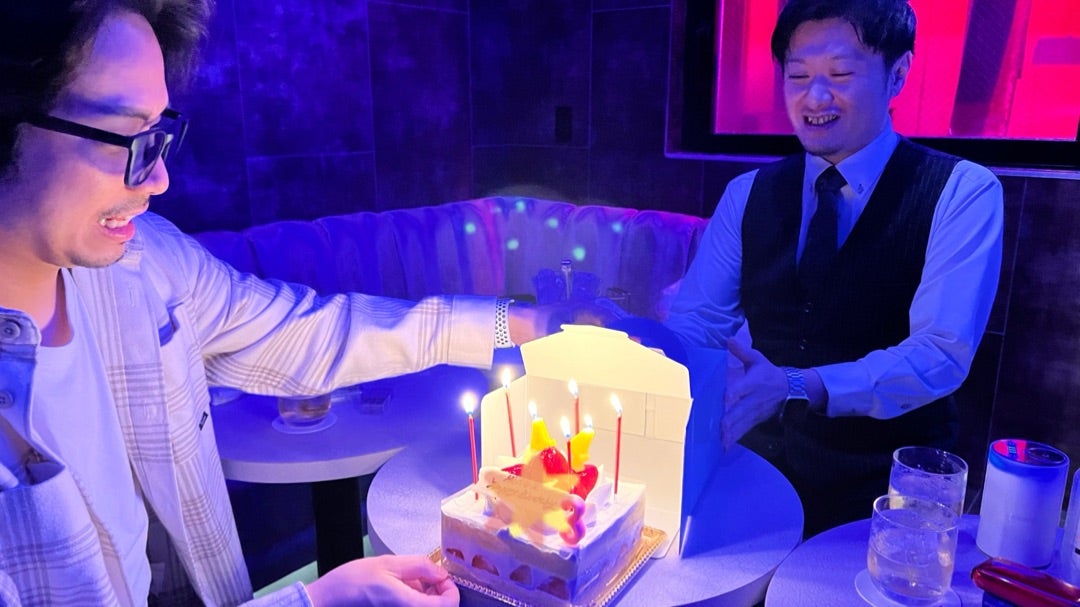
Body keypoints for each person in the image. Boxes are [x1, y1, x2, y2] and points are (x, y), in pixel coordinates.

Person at [0, 1, 608, 605]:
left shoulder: (144, 262)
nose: (159, 180)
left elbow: (306, 333)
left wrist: (520, 322)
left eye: (159, 134)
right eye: (124, 137)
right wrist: (317, 601)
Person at [666, 0, 1003, 537]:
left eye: (840, 74)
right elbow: (697, 322)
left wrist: (798, 384)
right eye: (798, 76)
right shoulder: (747, 194)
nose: (815, 97)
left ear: (899, 73)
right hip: (755, 471)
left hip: (886, 496)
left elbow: (939, 354)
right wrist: (646, 363)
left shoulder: (962, 192)